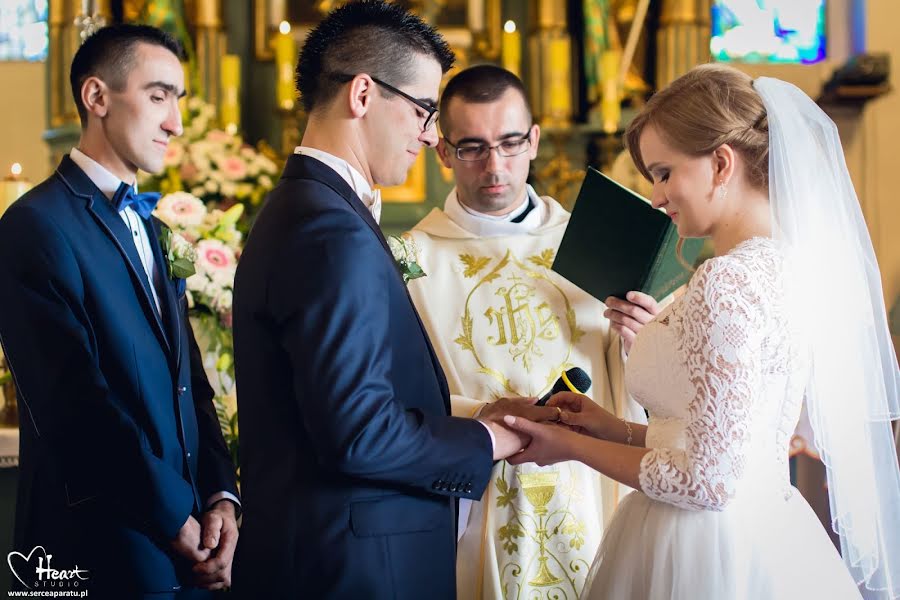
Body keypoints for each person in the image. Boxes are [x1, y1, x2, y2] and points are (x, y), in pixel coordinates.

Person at [502, 63, 900, 599]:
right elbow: (720, 445)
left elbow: (706, 481)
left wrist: (569, 446)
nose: (657, 197)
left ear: (720, 164)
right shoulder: (787, 266)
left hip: (700, 550)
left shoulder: (726, 281)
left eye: (664, 173)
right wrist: (604, 426)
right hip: (765, 532)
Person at [231, 3, 547, 598]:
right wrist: (490, 440)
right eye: (424, 110)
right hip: (352, 569)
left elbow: (339, 403)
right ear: (363, 94)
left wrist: (471, 417)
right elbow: (358, 434)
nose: (431, 136)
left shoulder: (307, 207)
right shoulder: (329, 230)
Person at [0, 25, 240, 597]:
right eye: (158, 96)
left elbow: (192, 386)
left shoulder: (155, 230)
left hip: (190, 546)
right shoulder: (34, 226)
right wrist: (173, 521)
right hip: (95, 547)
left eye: (178, 100)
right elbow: (72, 404)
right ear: (97, 97)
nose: (176, 123)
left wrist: (220, 498)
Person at [403, 64, 653, 599]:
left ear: (534, 140)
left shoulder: (592, 245)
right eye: (472, 147)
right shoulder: (412, 262)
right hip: (476, 500)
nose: (495, 165)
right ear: (443, 151)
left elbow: (638, 389)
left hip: (586, 491)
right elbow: (402, 397)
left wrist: (641, 343)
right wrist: (486, 421)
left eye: (511, 143)